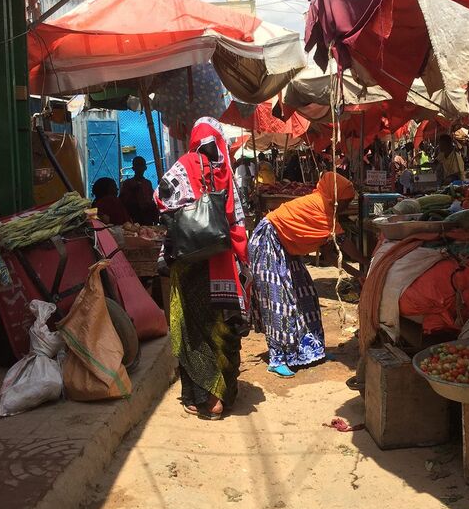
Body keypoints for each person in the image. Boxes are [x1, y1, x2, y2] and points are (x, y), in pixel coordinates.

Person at [155, 117, 249, 419]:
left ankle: (208, 400)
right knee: (220, 325)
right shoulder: (226, 173)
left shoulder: (184, 165)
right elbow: (238, 219)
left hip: (192, 261)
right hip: (221, 261)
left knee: (191, 328)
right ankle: (226, 393)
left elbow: (160, 196)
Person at [249, 172, 368, 378]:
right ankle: (279, 358)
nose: (347, 206)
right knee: (280, 301)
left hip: (287, 246)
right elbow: (343, 243)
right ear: (335, 197)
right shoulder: (321, 208)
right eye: (346, 201)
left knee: (306, 297)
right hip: (268, 242)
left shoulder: (327, 211)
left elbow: (331, 255)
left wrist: (357, 274)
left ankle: (312, 350)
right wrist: (367, 262)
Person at [119, 157, 157, 225]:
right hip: (133, 215)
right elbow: (123, 201)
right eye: (138, 166)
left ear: (145, 168)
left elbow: (152, 198)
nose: (140, 168)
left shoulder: (147, 183)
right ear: (133, 168)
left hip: (147, 215)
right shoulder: (128, 183)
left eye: (141, 165)